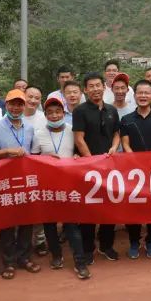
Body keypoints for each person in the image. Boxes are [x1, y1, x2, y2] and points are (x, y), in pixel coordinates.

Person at [0, 89, 40, 278]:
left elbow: (33, 155)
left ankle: (24, 258)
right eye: (12, 104)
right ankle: (8, 262)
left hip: (25, 180)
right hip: (5, 182)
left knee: (27, 222)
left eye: (19, 104)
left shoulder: (29, 128)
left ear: (24, 106)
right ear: (6, 105)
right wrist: (7, 151)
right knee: (7, 223)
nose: (16, 107)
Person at [31, 97, 90, 279]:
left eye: (58, 112)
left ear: (64, 113)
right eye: (50, 112)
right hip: (47, 186)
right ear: (45, 115)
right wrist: (46, 160)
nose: (54, 115)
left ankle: (80, 262)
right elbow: (33, 159)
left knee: (71, 225)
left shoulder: (73, 131)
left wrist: (78, 157)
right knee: (49, 225)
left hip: (68, 185)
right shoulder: (39, 134)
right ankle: (56, 256)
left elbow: (81, 152)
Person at [74, 72, 121, 261]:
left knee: (110, 208)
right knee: (89, 209)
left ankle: (106, 245)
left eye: (98, 85)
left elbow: (116, 133)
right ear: (85, 90)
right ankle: (88, 249)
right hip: (88, 169)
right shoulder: (80, 111)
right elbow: (79, 139)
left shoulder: (112, 110)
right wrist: (91, 162)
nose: (95, 89)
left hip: (110, 167)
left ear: (104, 87)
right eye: (91, 86)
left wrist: (114, 147)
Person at [119, 80, 151, 259]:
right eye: (140, 92)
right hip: (133, 171)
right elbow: (125, 144)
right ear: (135, 95)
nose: (143, 96)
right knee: (133, 207)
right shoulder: (126, 119)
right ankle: (134, 241)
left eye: (147, 93)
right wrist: (136, 161)